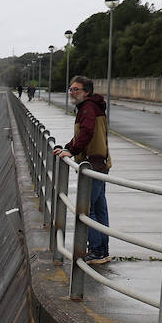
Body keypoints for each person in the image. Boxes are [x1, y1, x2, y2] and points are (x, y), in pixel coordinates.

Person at [52, 76, 112, 265]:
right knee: (99, 208)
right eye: (70, 89)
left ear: (87, 92)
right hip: (100, 162)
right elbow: (81, 134)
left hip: (93, 164)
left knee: (87, 209)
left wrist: (72, 150)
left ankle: (96, 250)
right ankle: (102, 250)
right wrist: (67, 147)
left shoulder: (88, 109)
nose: (72, 92)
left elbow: (86, 133)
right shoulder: (92, 107)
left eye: (76, 89)